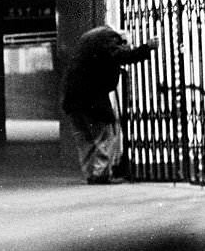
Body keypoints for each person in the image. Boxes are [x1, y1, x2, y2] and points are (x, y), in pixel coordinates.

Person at [62, 25, 157, 185]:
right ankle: (101, 174)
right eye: (125, 45)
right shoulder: (109, 37)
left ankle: (90, 174)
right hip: (91, 98)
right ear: (122, 41)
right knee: (106, 135)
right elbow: (120, 56)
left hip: (72, 98)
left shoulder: (91, 38)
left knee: (86, 139)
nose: (125, 48)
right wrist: (146, 48)